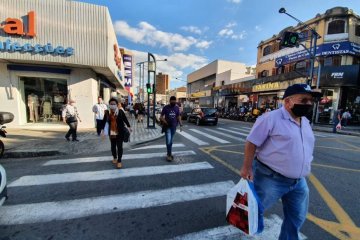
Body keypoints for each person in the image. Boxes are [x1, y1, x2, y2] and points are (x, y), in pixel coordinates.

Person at [240, 84, 321, 240]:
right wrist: (246, 167)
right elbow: (251, 142)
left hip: (299, 182)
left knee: (296, 217)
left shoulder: (304, 121)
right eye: (303, 100)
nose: (309, 104)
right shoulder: (270, 119)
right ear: (288, 102)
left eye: (310, 101)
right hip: (271, 178)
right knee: (253, 211)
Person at [102, 98, 131, 169]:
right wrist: (102, 130)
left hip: (120, 131)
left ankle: (119, 161)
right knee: (113, 146)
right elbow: (103, 122)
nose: (112, 105)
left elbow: (125, 119)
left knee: (119, 146)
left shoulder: (120, 111)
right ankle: (115, 157)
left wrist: (129, 126)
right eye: (111, 104)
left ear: (117, 105)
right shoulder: (107, 112)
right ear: (109, 105)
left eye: (114, 104)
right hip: (111, 132)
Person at [160, 96, 183, 161]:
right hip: (167, 127)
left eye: (175, 101)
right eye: (172, 101)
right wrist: (166, 122)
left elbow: (178, 116)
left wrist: (181, 124)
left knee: (170, 141)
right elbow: (161, 117)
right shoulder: (166, 107)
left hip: (174, 127)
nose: (174, 102)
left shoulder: (176, 107)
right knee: (169, 141)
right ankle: (169, 155)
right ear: (170, 101)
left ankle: (169, 153)